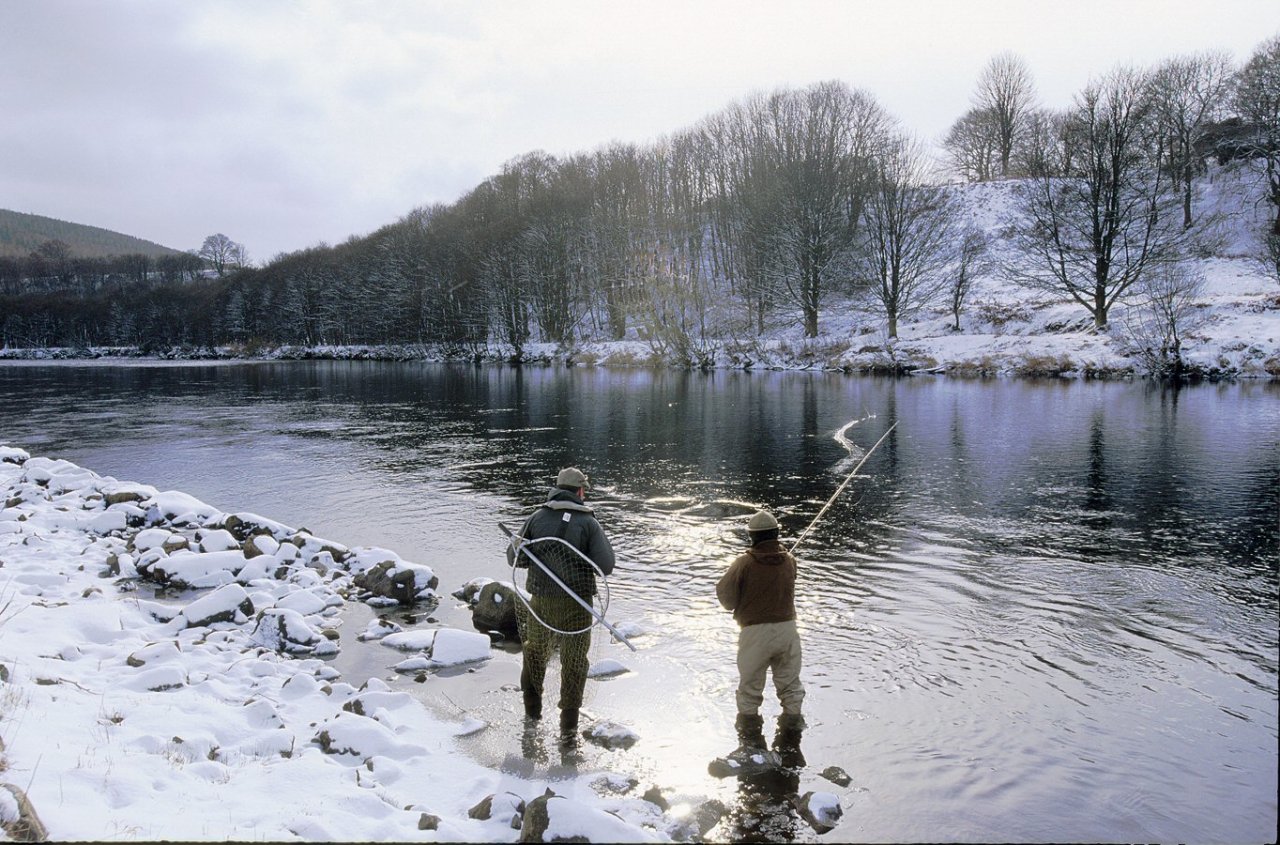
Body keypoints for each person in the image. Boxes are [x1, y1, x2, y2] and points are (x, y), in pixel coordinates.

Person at [507, 466, 615, 743]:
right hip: (577, 605)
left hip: (540, 603)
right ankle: (568, 730)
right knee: (574, 661)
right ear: (580, 491)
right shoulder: (589, 523)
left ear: (556, 488)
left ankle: (531, 718)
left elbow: (514, 558)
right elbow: (606, 565)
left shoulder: (536, 517)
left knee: (534, 655)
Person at [716, 509, 806, 761]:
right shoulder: (790, 560)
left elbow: (725, 597)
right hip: (788, 630)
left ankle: (750, 740)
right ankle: (792, 737)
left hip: (755, 633)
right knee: (790, 685)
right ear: (776, 534)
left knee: (750, 688)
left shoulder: (743, 562)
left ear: (752, 537)